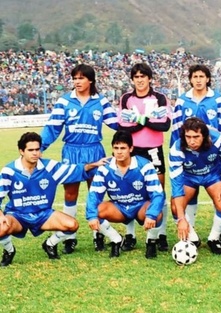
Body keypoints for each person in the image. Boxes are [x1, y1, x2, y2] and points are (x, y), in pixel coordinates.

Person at [40, 64, 119, 254]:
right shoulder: (65, 101)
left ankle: (97, 234)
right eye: (74, 78)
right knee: (70, 194)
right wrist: (40, 147)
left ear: (90, 80)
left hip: (94, 151)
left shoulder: (101, 101)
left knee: (96, 193)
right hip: (72, 152)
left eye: (81, 78)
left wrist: (140, 126)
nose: (77, 82)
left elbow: (117, 123)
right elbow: (53, 127)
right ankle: (69, 236)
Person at [0, 132, 106, 266]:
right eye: (30, 150)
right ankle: (9, 251)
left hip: (43, 214)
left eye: (37, 149)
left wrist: (94, 164)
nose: (35, 153)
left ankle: (49, 244)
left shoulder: (49, 167)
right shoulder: (9, 171)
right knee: (0, 227)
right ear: (21, 151)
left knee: (72, 225)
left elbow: (74, 170)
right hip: (17, 215)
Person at [170, 64, 221, 247]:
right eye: (194, 76)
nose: (198, 80)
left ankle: (217, 235)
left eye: (201, 76)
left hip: (212, 166)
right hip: (189, 169)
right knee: (178, 203)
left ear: (207, 79)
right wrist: (181, 147)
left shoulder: (218, 100)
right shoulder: (182, 101)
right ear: (190, 79)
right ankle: (191, 234)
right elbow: (175, 129)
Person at [85, 130, 165, 258]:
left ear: (131, 148)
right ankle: (116, 239)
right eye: (116, 148)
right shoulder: (105, 168)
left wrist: (151, 215)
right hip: (119, 207)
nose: (119, 152)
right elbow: (94, 194)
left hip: (140, 206)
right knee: (96, 211)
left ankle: (151, 242)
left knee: (157, 213)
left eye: (123, 148)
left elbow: (158, 194)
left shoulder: (144, 165)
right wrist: (91, 216)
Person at [118, 63, 171, 253]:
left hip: (154, 149)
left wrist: (139, 119)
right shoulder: (126, 98)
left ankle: (160, 235)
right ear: (132, 79)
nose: (139, 80)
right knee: (129, 190)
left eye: (143, 76)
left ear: (150, 78)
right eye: (136, 77)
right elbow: (124, 127)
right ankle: (130, 235)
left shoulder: (159, 98)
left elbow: (164, 126)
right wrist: (149, 120)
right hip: (133, 150)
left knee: (159, 191)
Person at [169, 117, 221, 254]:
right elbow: (177, 185)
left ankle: (214, 239)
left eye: (196, 137)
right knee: (175, 206)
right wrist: (181, 219)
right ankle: (192, 238)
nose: (191, 141)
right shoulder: (176, 148)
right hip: (189, 177)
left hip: (212, 174)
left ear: (204, 135)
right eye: (188, 137)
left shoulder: (218, 140)